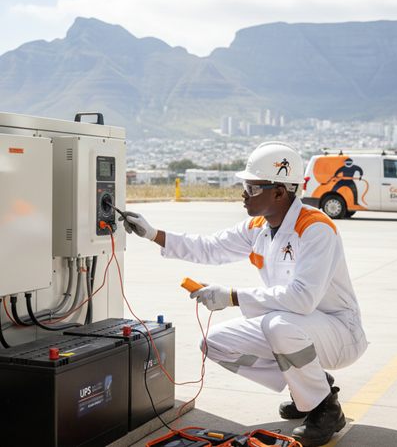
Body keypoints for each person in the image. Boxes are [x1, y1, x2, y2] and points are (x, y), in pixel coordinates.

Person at [120, 142, 368, 447]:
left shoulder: (315, 228)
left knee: (278, 325)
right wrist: (152, 234)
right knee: (214, 342)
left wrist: (232, 296)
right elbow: (209, 248)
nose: (243, 194)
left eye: (252, 187)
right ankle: (309, 385)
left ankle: (324, 407)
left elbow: (303, 298)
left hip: (338, 332)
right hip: (295, 328)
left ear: (279, 192)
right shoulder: (258, 227)